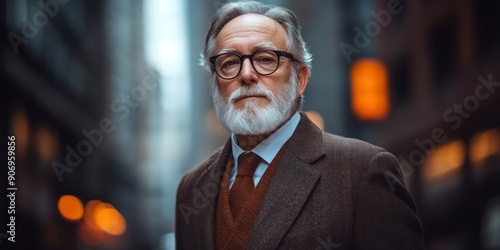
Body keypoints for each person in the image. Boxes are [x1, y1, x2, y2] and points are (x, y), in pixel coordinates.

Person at [175, 1, 425, 249]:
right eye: (229, 62)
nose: (247, 74)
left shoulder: (363, 171)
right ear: (214, 83)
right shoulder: (191, 189)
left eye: (265, 59)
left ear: (300, 79)